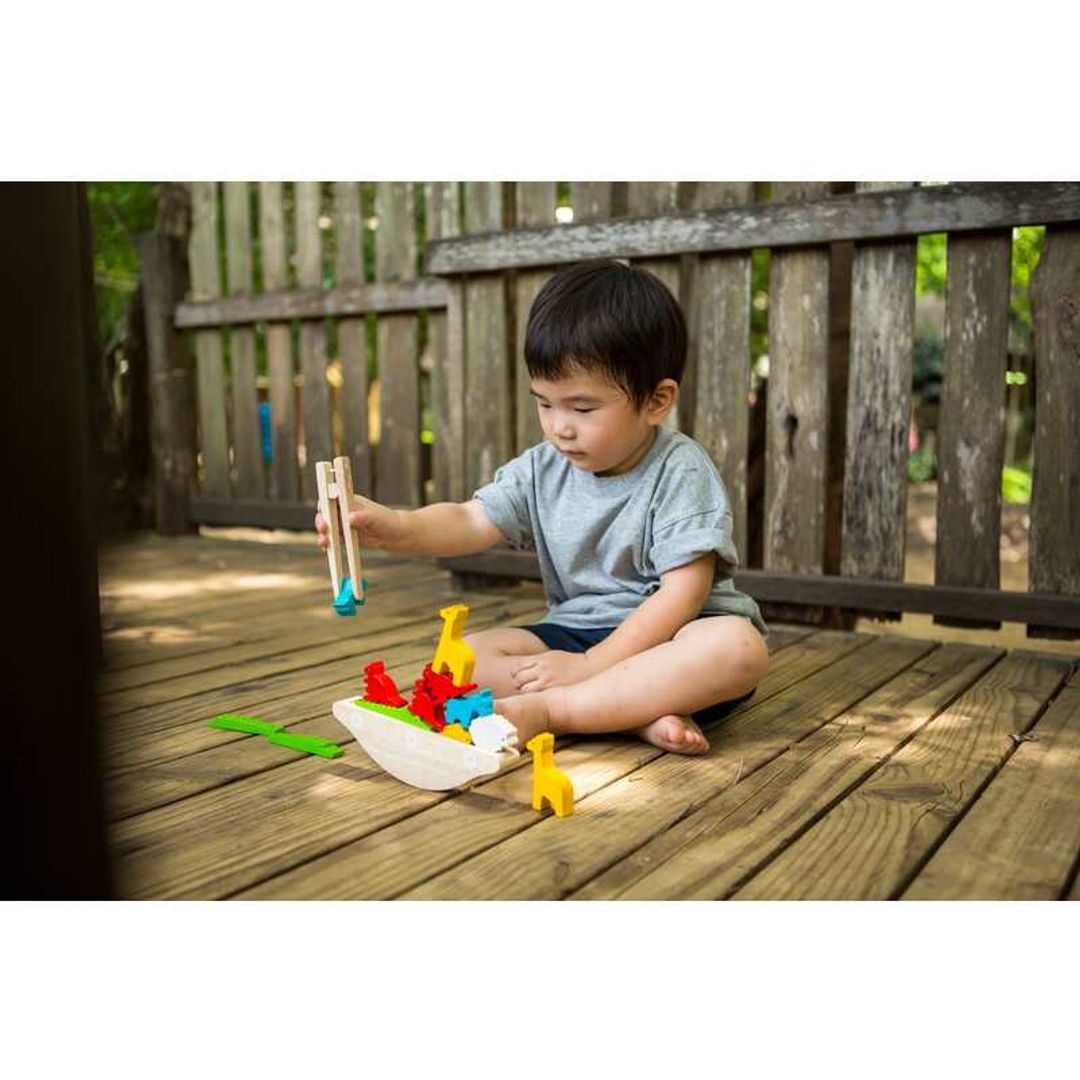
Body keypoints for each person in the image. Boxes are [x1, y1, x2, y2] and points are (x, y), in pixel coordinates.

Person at [317, 258, 769, 755]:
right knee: (459, 660)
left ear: (656, 401)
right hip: (575, 631)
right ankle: (631, 711)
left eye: (582, 407)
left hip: (674, 639)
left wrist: (593, 665)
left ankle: (560, 710)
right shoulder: (542, 467)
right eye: (545, 403)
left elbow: (683, 593)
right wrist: (393, 526)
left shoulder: (679, 469)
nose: (559, 427)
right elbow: (470, 519)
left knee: (737, 648)